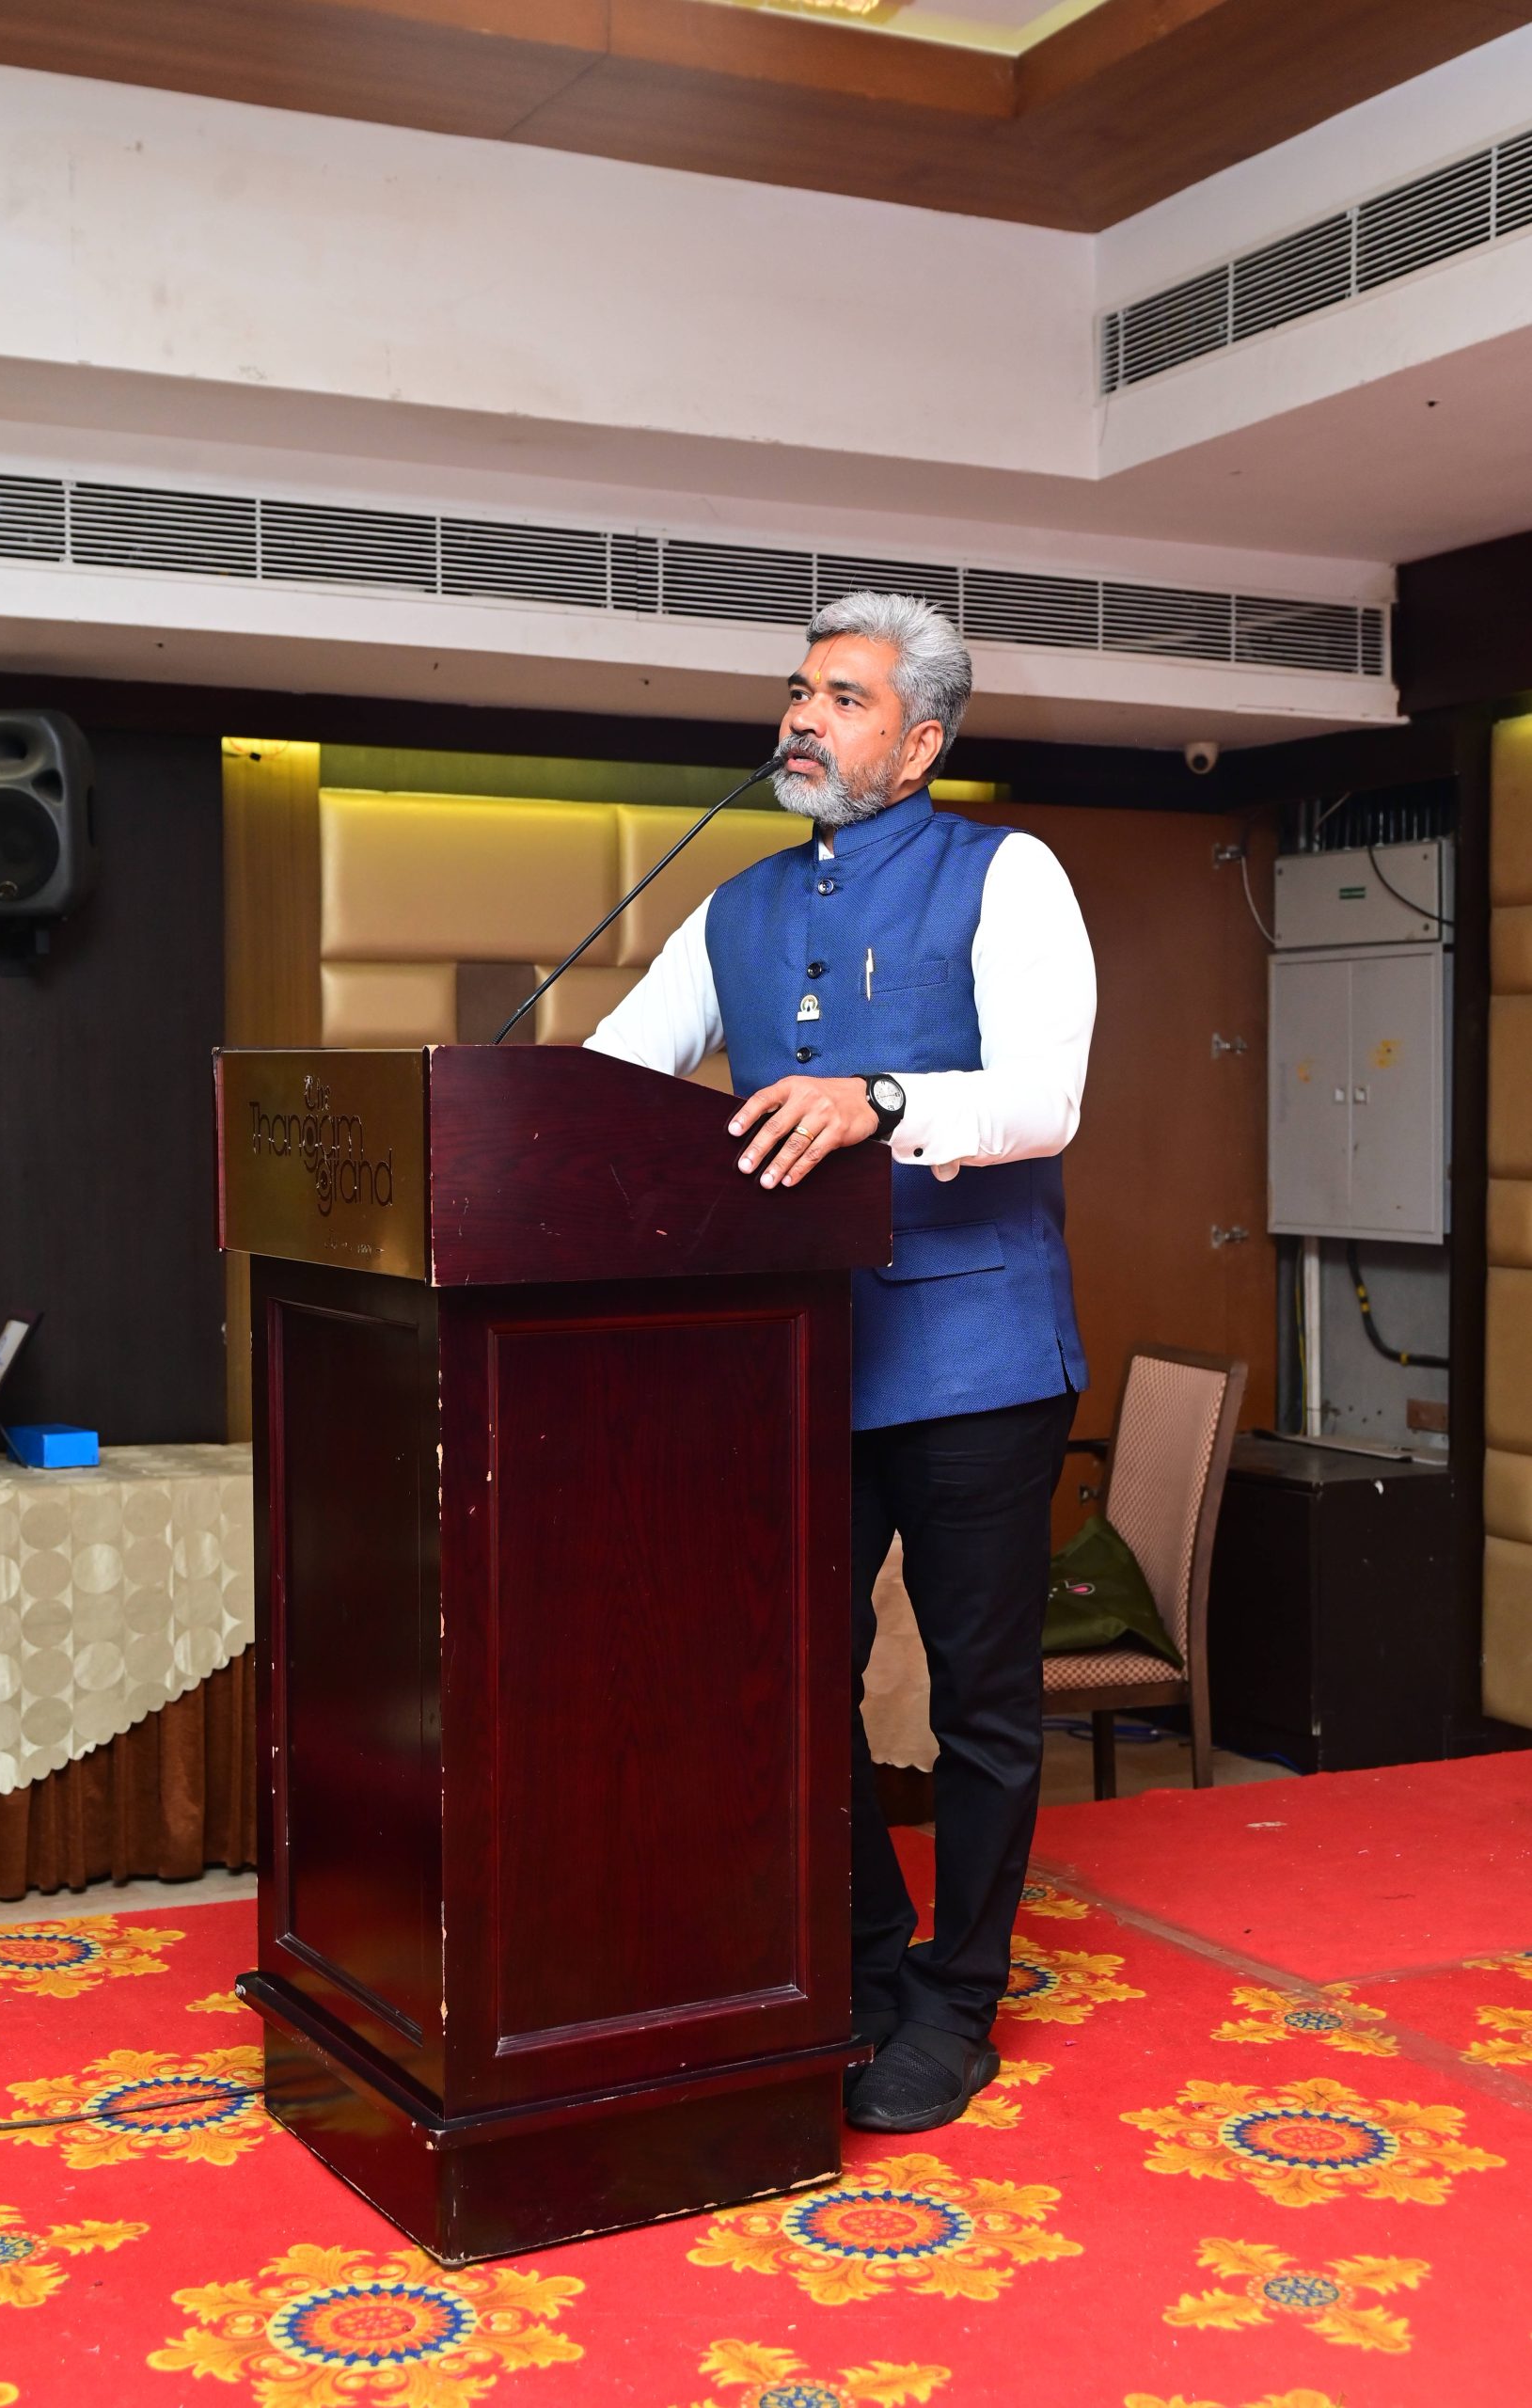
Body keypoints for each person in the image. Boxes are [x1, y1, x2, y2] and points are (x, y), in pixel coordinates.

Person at [586, 590, 1095, 2131]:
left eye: (845, 698)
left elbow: (1046, 1099)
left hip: (979, 1356)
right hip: (801, 1360)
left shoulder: (1007, 872)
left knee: (981, 1701)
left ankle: (961, 1998)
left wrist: (883, 1100)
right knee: (790, 1681)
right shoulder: (735, 904)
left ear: (920, 742)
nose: (804, 717)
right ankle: (870, 1965)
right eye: (800, 690)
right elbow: (613, 1078)